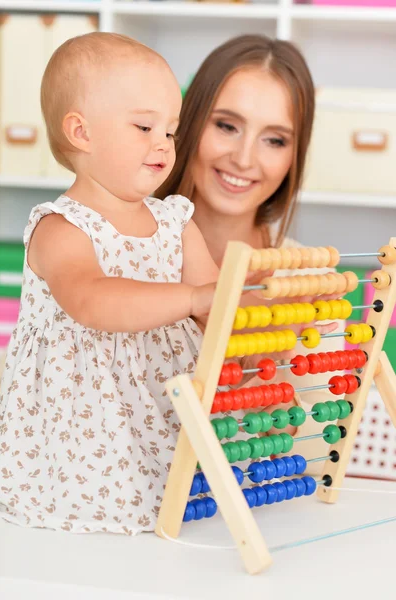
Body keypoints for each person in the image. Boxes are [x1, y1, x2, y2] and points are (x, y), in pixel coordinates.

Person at [0, 32, 223, 535]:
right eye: (145, 126)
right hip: (87, 433)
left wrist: (249, 315)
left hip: (164, 410)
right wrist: (188, 299)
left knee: (181, 510)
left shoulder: (177, 223)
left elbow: (216, 305)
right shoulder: (61, 229)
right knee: (104, 532)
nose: (163, 145)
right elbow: (92, 301)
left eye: (171, 131)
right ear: (81, 132)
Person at [158, 35, 346, 466]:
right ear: (187, 123)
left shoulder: (309, 286)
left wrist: (276, 372)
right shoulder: (128, 256)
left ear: (294, 156)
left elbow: (318, 458)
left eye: (275, 140)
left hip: (253, 523)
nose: (244, 158)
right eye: (226, 125)